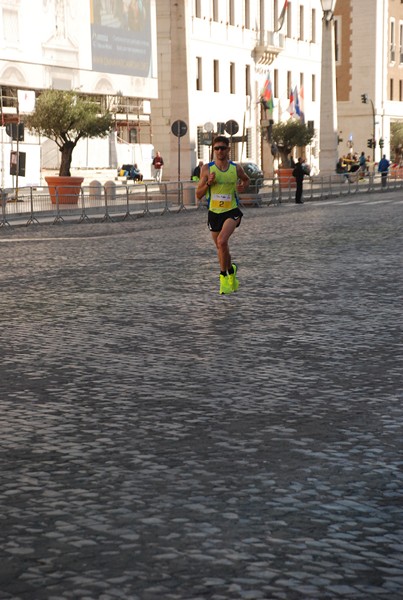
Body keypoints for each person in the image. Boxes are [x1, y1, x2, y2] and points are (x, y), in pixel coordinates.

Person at [196, 136, 249, 295]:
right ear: (213, 150)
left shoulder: (236, 168)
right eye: (217, 148)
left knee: (222, 240)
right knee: (221, 247)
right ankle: (231, 270)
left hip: (232, 211)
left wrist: (242, 186)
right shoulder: (207, 169)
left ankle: (224, 278)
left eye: (223, 148)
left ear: (228, 149)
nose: (220, 151)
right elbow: (198, 194)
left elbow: (246, 180)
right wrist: (208, 183)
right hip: (214, 213)